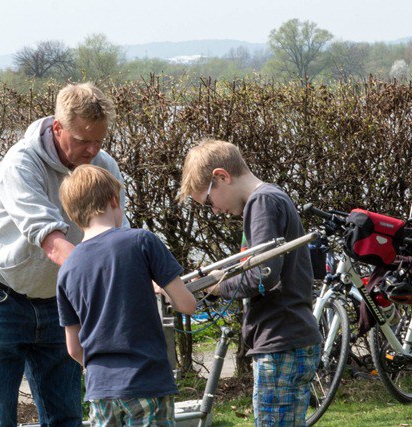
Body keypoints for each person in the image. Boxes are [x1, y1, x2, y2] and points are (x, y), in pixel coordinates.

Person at [0, 83, 129, 426]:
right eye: (84, 140)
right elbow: (50, 240)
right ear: (58, 127)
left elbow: (116, 236)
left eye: (99, 139)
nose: (92, 149)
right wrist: (104, 278)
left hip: (58, 299)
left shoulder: (104, 166)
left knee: (66, 417)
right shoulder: (21, 163)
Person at [178, 139, 322, 427]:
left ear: (221, 176)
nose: (215, 211)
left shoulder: (262, 202)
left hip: (280, 340)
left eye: (208, 201)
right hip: (287, 338)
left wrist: (215, 286)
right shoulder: (269, 199)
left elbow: (263, 276)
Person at [56, 164, 197, 426]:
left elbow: (74, 348)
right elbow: (187, 304)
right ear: (113, 199)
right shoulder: (142, 240)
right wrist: (167, 289)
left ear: (73, 214)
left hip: (100, 391)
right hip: (146, 382)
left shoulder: (68, 268)